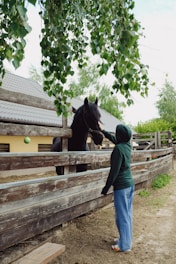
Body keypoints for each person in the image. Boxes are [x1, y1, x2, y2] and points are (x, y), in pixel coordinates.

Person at [99, 123, 134, 252]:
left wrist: (105, 188)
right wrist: (103, 130)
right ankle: (125, 240)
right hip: (129, 185)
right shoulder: (127, 146)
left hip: (121, 187)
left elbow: (114, 172)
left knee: (122, 216)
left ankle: (125, 246)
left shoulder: (118, 150)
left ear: (119, 135)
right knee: (127, 214)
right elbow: (115, 140)